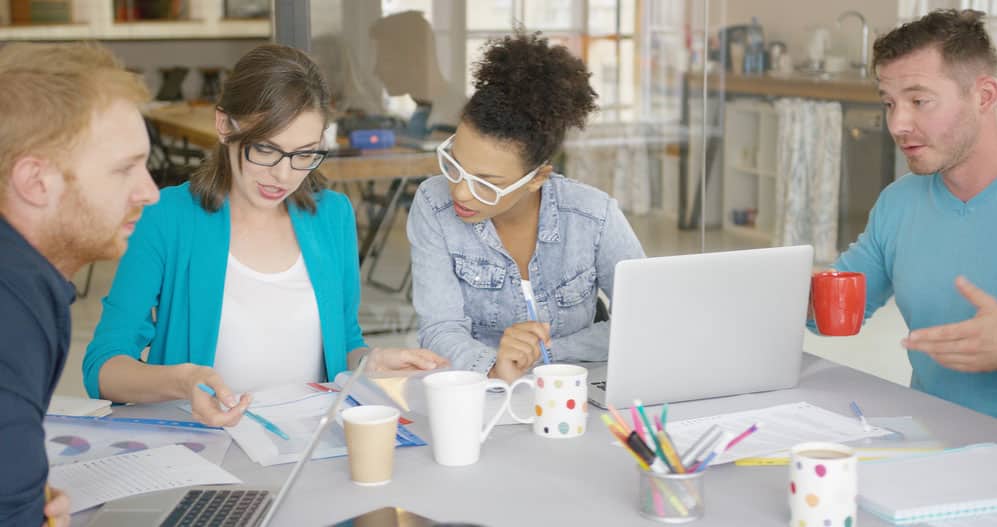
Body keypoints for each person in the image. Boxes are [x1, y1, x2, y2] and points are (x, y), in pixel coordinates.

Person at [83, 44, 447, 427]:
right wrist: (182, 382)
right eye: (266, 149)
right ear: (224, 125)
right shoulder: (167, 217)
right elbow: (103, 367)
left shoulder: (332, 216)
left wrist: (369, 361)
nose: (284, 176)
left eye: (305, 154)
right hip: (206, 445)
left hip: (308, 446)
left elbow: (345, 343)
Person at [407, 32, 645, 383]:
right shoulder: (433, 205)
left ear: (537, 178)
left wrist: (545, 353)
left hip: (575, 392)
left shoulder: (592, 216)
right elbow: (440, 328)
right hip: (481, 396)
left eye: (487, 182)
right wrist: (492, 365)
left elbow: (645, 318)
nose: (459, 191)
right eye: (455, 165)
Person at [0, 42, 160, 526]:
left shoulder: (25, 281)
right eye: (124, 169)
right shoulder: (10, 313)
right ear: (36, 181)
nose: (149, 192)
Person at [820, 9, 997, 416]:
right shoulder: (900, 203)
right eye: (889, 103)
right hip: (933, 443)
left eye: (920, 101)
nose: (898, 124)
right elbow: (837, 304)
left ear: (984, 95)